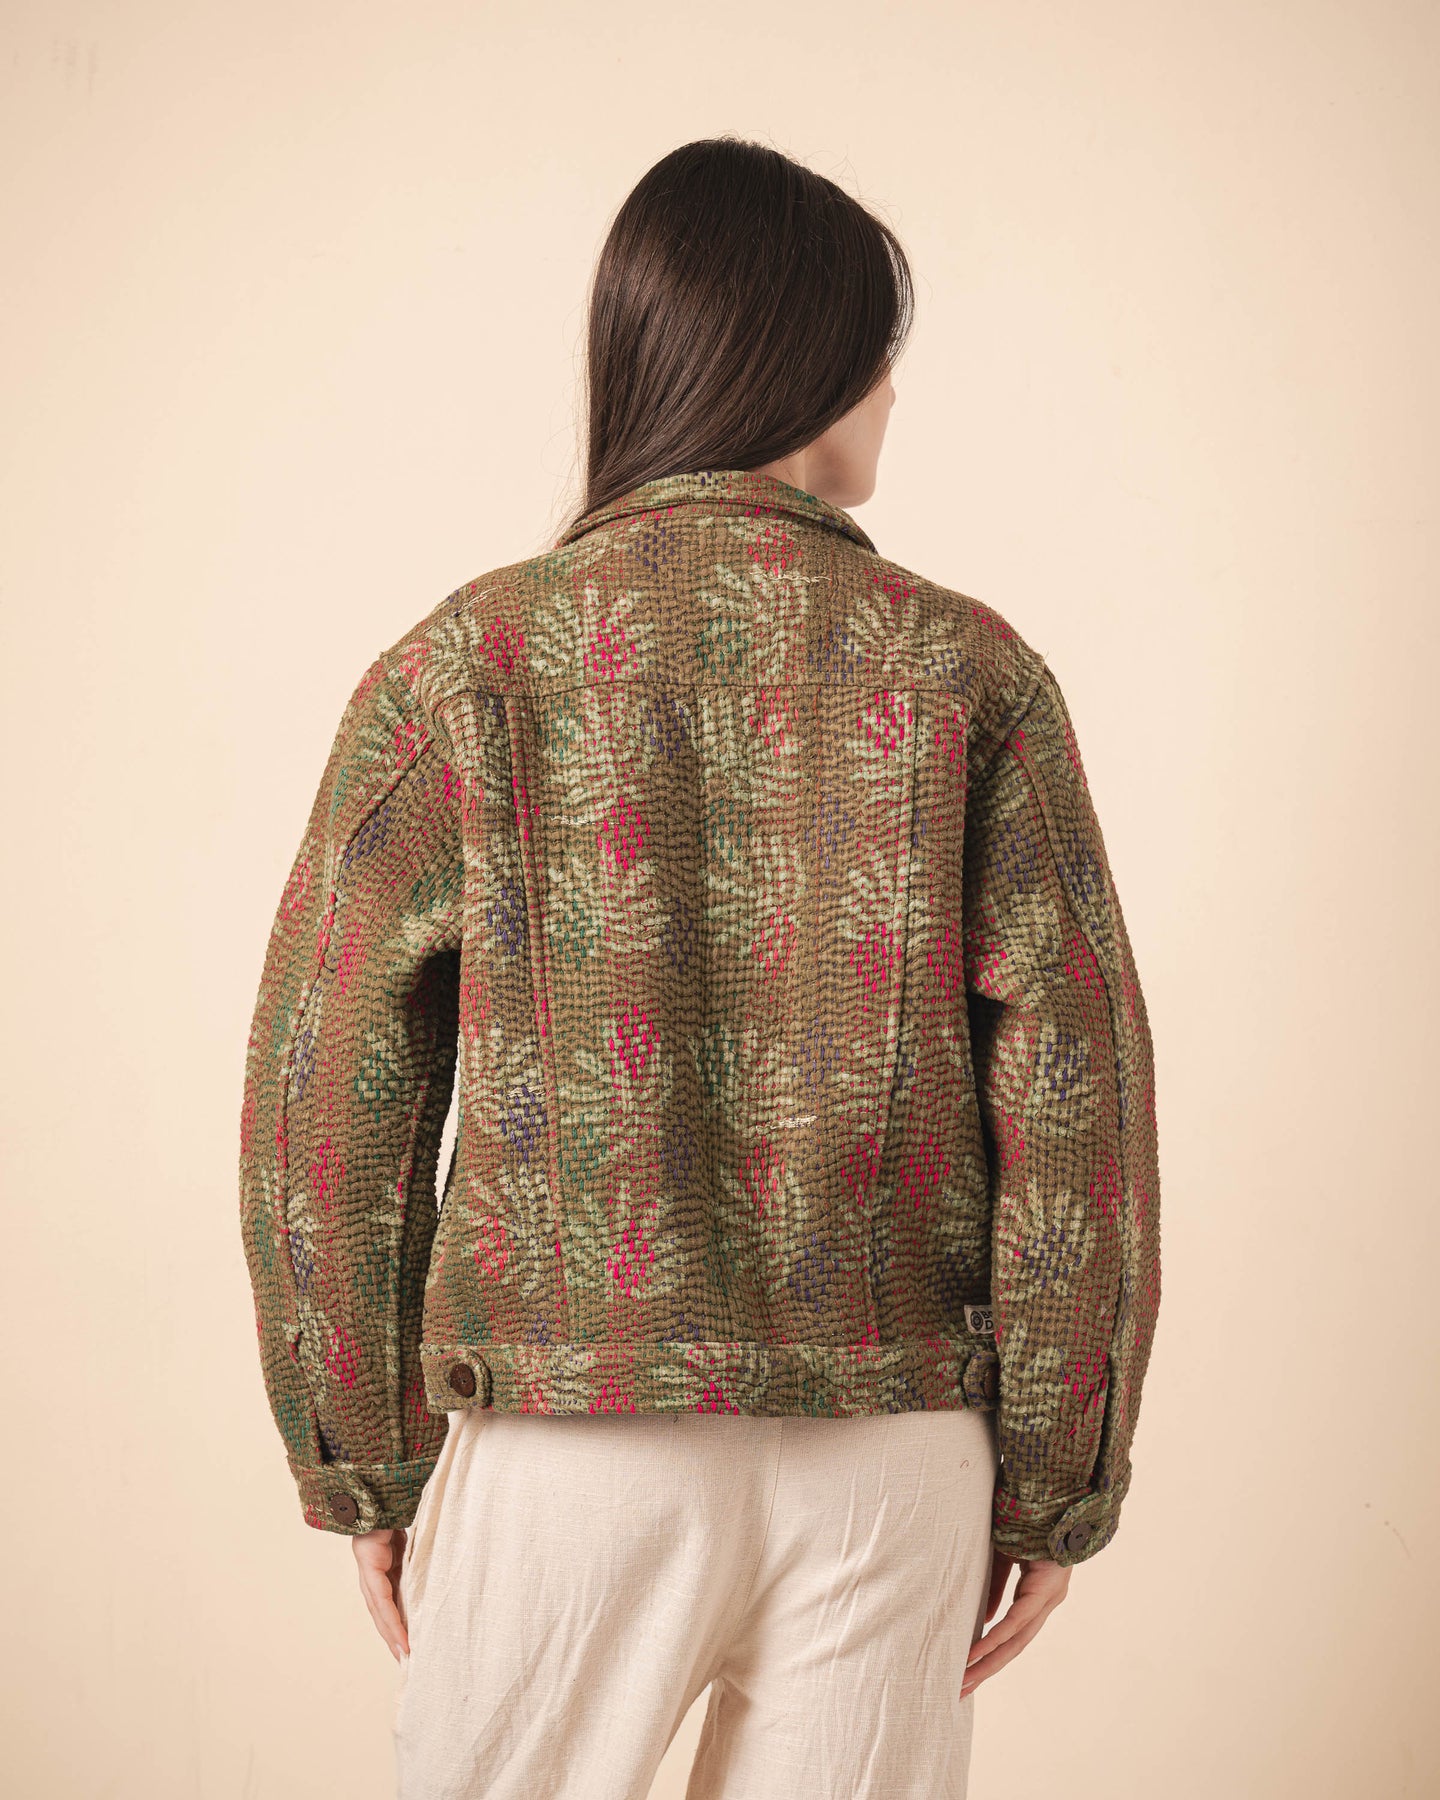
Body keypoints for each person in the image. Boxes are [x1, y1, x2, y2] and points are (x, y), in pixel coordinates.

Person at [238, 134, 1162, 1799]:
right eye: (879, 349)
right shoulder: (972, 673)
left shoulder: (466, 664)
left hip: (569, 1446)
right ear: (805, 358)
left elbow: (329, 1078)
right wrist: (1056, 1476)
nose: (894, 389)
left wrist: (360, 1455)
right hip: (894, 1456)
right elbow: (1078, 1098)